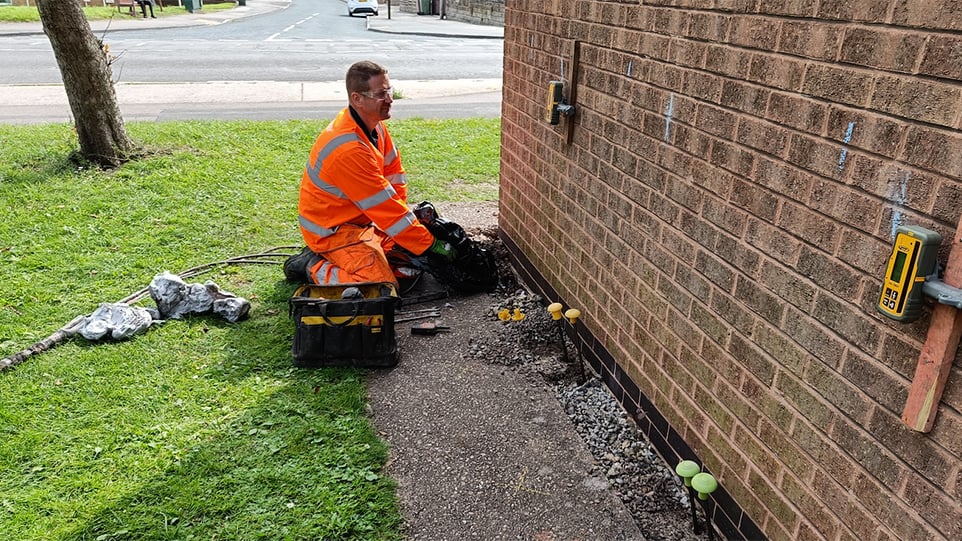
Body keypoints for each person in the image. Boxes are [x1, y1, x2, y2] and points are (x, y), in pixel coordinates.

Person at [285, 60, 457, 287]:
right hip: (333, 233)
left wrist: (404, 226)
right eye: (381, 94)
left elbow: (394, 178)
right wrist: (428, 243)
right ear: (357, 99)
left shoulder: (374, 126)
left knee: (405, 263)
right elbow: (383, 206)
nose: (390, 99)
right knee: (381, 285)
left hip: (362, 222)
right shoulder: (348, 149)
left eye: (389, 91)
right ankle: (313, 266)